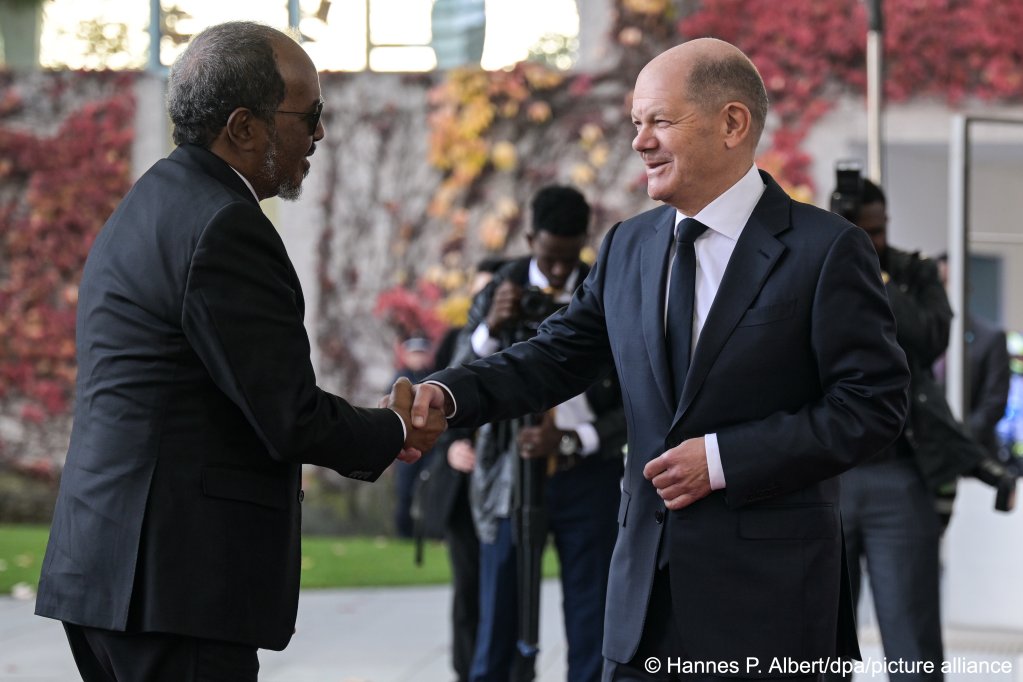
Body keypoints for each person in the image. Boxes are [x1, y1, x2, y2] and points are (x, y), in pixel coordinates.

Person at [408, 38, 910, 681]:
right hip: (642, 604)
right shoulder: (627, 247)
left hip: (770, 609)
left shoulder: (826, 249)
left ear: (733, 123)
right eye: (635, 123)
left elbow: (873, 406)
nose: (640, 142)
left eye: (660, 121)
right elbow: (552, 358)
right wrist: (448, 395)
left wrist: (724, 459)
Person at [34, 21, 445, 682]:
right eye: (309, 115)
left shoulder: (150, 203)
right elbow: (286, 414)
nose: (318, 133)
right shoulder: (225, 225)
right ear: (244, 126)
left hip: (108, 571)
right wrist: (395, 428)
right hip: (173, 585)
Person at [451, 185, 626, 682]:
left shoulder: (604, 287)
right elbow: (460, 373)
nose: (556, 272)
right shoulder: (499, 287)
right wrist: (491, 326)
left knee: (592, 613)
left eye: (567, 260)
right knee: (501, 608)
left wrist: (576, 439)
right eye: (548, 258)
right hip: (513, 474)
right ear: (530, 239)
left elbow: (634, 397)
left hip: (585, 472)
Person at [825, 177, 948, 681]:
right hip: (829, 471)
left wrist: (875, 276)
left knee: (912, 638)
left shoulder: (912, 274)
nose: (871, 240)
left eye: (878, 231)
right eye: (859, 230)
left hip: (899, 472)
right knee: (823, 638)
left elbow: (930, 338)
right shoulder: (810, 264)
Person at [393, 336, 438, 538]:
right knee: (405, 490)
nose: (418, 358)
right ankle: (404, 533)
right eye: (414, 353)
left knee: (431, 489)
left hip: (431, 446)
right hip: (406, 444)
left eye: (422, 353)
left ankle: (431, 532)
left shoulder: (435, 378)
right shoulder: (398, 380)